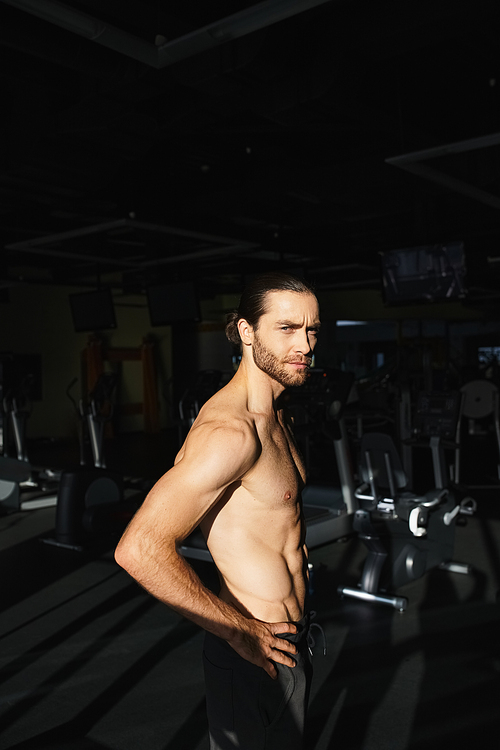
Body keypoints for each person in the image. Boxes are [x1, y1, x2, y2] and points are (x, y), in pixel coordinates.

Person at [114, 272, 321, 749]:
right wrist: (239, 631)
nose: (305, 345)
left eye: (312, 330)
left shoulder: (279, 415)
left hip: (290, 641)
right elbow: (139, 550)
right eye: (287, 329)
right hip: (251, 652)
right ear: (247, 332)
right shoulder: (230, 434)